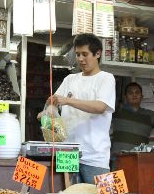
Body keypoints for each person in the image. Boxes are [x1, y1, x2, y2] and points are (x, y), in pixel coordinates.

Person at [48, 33, 116, 184]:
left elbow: (100, 106)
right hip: (66, 153)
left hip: (95, 156)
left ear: (97, 54)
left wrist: (68, 101)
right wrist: (48, 112)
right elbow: (53, 103)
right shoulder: (70, 79)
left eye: (85, 54)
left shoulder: (106, 78)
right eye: (78, 54)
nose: (80, 59)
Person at [111, 83, 154, 163]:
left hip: (139, 161)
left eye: (137, 92)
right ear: (125, 97)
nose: (134, 95)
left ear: (142, 97)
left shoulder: (149, 115)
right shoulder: (117, 111)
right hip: (117, 160)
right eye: (130, 93)